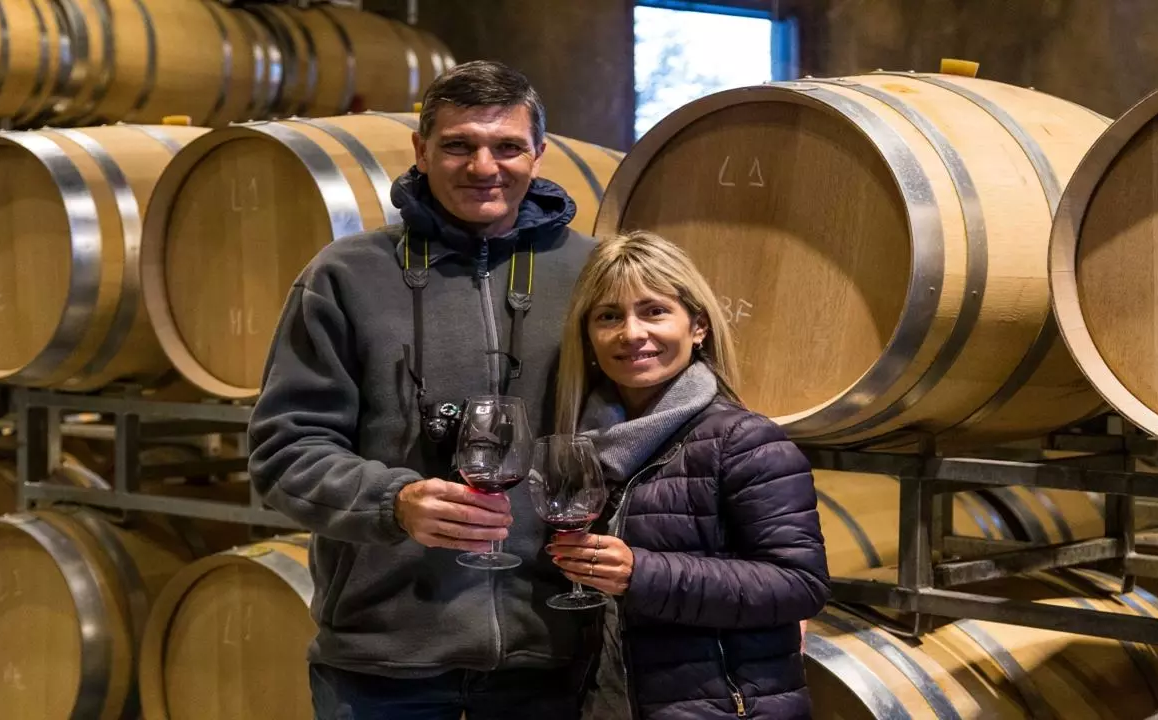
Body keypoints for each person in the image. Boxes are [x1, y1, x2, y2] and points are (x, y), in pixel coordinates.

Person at [247, 60, 598, 719]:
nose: (484, 167)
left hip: (554, 653)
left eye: (507, 147)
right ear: (421, 150)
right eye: (459, 145)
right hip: (384, 659)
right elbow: (283, 452)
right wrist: (393, 501)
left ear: (539, 154)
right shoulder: (346, 275)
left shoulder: (592, 273)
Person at [545, 230, 830, 719]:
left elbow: (800, 584)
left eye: (654, 311)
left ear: (698, 327)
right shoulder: (585, 443)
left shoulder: (743, 439)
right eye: (609, 316)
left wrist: (641, 573)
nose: (631, 333)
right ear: (588, 336)